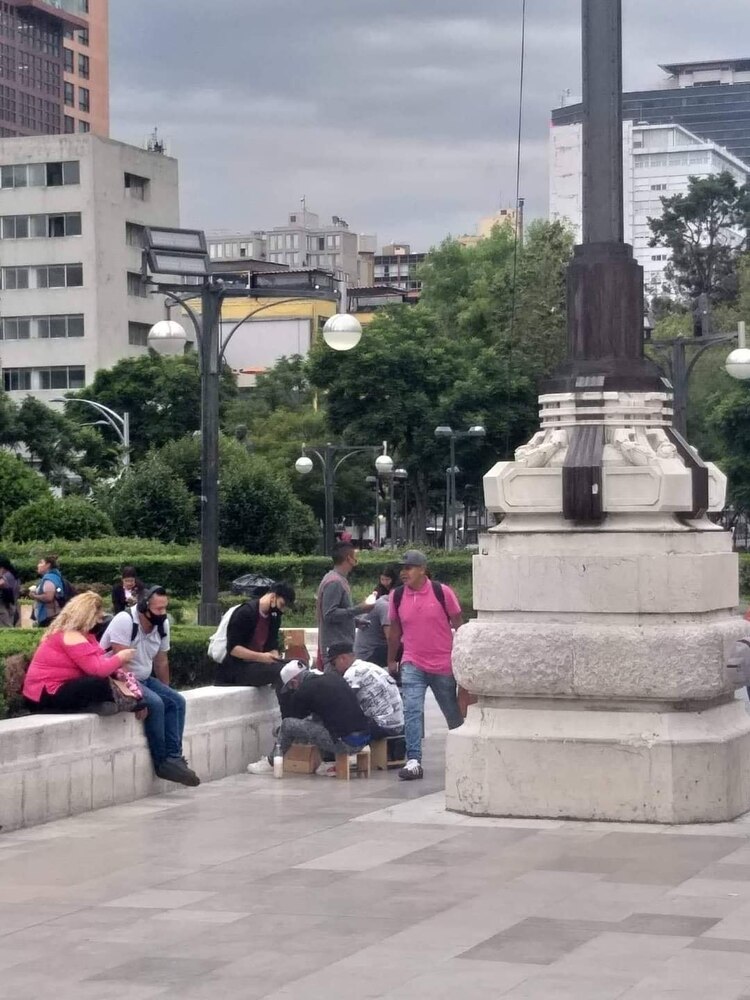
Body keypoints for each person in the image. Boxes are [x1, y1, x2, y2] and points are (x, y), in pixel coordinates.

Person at [100, 585, 200, 787]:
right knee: (155, 703)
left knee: (176, 701)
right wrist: (136, 698)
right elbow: (120, 663)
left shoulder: (162, 625)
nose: (163, 613)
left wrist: (167, 689)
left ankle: (174, 758)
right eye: (158, 609)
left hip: (143, 678)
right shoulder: (125, 621)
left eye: (165, 608)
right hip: (117, 677)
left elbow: (161, 661)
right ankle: (161, 763)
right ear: (144, 608)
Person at [387, 550, 464, 781]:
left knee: (451, 711)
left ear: (422, 569)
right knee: (411, 710)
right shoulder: (397, 596)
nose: (403, 573)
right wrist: (391, 659)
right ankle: (413, 761)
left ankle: (463, 753)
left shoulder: (442, 592)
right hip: (412, 662)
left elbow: (459, 626)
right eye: (402, 568)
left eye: (408, 568)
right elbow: (395, 631)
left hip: (443, 664)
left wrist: (462, 656)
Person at [246, 659, 371, 776]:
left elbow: (293, 724)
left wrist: (278, 731)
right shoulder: (333, 678)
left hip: (346, 744)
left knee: (287, 725)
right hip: (364, 739)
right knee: (320, 720)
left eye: (290, 687)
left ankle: (271, 762)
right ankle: (328, 761)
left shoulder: (304, 691)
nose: (292, 690)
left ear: (294, 681)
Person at [23, 591, 138, 714]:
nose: (100, 621)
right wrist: (121, 657)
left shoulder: (85, 636)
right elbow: (98, 671)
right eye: (98, 618)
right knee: (98, 684)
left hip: (57, 688)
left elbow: (98, 662)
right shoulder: (71, 635)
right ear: (88, 617)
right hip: (45, 694)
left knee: (107, 681)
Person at [214, 582, 296, 687]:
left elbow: (272, 644)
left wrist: (274, 657)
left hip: (258, 664)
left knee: (297, 666)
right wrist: (261, 657)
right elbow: (234, 649)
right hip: (237, 667)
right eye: (282, 605)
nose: (282, 610)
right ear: (273, 597)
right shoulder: (245, 612)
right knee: (281, 671)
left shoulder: (274, 617)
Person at [329, 641, 404, 738]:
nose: (333, 668)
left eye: (333, 663)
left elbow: (342, 703)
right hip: (397, 723)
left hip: (382, 725)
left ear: (342, 658)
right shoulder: (369, 666)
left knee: (334, 727)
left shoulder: (352, 673)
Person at [316, 541, 369, 668]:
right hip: (337, 654)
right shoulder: (334, 582)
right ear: (349, 558)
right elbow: (329, 614)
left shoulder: (338, 579)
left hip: (342, 650)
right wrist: (359, 609)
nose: (357, 559)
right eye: (355, 555)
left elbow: (338, 612)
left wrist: (355, 621)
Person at [353, 563, 400, 668]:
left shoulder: (385, 601)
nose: (385, 583)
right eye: (383, 579)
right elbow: (390, 638)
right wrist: (391, 662)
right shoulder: (384, 605)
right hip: (368, 654)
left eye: (387, 580)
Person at [29, 555, 64, 628]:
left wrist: (34, 596)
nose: (38, 565)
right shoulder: (55, 577)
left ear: (48, 565)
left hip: (49, 617)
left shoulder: (49, 579)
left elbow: (48, 597)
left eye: (41, 563)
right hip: (52, 615)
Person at [0, 556, 20, 627]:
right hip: (11, 605)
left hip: (5, 606)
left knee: (6, 627)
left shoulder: (6, 576)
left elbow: (3, 585)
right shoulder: (12, 574)